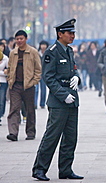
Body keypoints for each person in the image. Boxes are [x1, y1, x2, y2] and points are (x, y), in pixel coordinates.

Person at [32, 18, 83, 181]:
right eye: (70, 33)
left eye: (74, 33)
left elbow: (73, 70)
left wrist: (77, 77)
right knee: (52, 136)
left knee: (70, 137)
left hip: (72, 99)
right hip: (59, 101)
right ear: (60, 34)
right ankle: (40, 169)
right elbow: (48, 77)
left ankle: (66, 169)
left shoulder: (69, 50)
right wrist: (63, 95)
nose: (72, 36)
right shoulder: (51, 52)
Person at [6, 30, 41, 141]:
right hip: (15, 86)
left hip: (28, 86)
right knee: (14, 109)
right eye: (17, 39)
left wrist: (33, 82)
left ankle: (30, 132)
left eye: (21, 38)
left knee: (30, 110)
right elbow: (10, 68)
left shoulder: (33, 52)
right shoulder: (13, 53)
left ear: (26, 39)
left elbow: (38, 69)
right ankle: (13, 133)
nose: (19, 41)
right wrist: (10, 80)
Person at [0, 41, 9, 126]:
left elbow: (8, 71)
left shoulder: (5, 58)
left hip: (3, 82)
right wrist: (1, 72)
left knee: (1, 100)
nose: (1, 48)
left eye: (2, 46)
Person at [37, 40, 49, 109]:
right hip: (37, 73)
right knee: (36, 90)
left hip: (44, 73)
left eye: (44, 45)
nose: (43, 46)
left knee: (43, 89)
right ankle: (35, 103)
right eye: (42, 45)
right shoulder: (37, 53)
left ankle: (42, 103)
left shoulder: (48, 53)